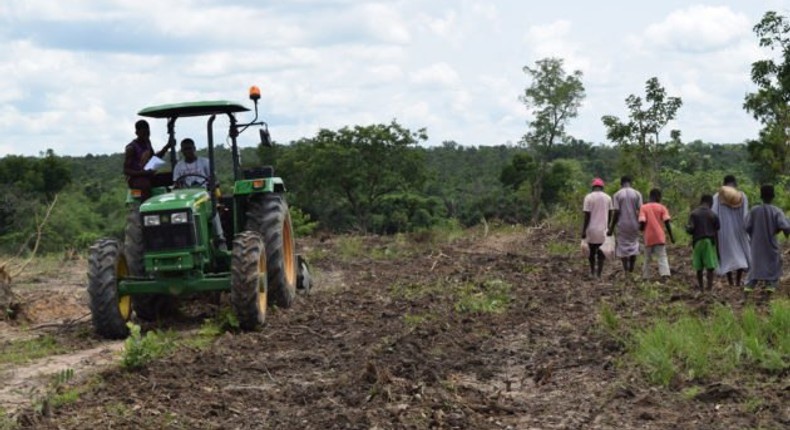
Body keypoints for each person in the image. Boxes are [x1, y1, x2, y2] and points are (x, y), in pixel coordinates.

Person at [173, 138, 226, 251]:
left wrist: (213, 186)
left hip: (204, 194)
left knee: (212, 211)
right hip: (186, 197)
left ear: (194, 149)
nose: (188, 151)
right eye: (185, 149)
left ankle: (219, 238)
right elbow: (176, 184)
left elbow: (214, 180)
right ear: (182, 151)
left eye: (190, 149)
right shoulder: (179, 166)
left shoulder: (205, 162)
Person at [744, 184, 790, 294]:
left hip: (756, 246)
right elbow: (785, 227)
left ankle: (748, 289)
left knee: (755, 268)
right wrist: (782, 232)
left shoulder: (754, 210)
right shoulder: (776, 211)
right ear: (773, 196)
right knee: (773, 267)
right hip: (771, 245)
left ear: (761, 196)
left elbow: (746, 227)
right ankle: (769, 290)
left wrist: (754, 234)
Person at [711, 175, 750, 287]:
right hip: (739, 231)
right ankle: (738, 282)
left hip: (724, 232)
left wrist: (715, 232)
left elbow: (714, 215)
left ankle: (730, 282)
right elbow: (745, 215)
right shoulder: (742, 196)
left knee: (726, 255)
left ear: (724, 183)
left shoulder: (717, 196)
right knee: (741, 255)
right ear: (735, 184)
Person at [124, 119, 174, 200]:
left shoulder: (147, 143)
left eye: (148, 133)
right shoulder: (131, 148)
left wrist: (167, 146)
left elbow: (154, 160)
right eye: (144, 133)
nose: (146, 136)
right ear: (137, 133)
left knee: (173, 177)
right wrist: (144, 173)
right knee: (145, 186)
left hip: (148, 176)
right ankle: (146, 209)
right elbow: (126, 170)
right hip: (135, 179)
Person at [608, 176, 643, 275]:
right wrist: (642, 224)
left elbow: (616, 212)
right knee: (634, 244)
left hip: (622, 224)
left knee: (622, 246)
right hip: (634, 223)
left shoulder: (617, 195)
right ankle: (631, 268)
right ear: (630, 182)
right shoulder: (637, 193)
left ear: (621, 183)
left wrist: (611, 228)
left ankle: (626, 270)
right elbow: (641, 210)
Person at [639, 188, 675, 280]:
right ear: (657, 197)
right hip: (659, 237)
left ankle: (645, 277)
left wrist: (641, 229)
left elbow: (642, 221)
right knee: (662, 256)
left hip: (648, 237)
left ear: (650, 196)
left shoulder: (644, 207)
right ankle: (665, 275)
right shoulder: (662, 207)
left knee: (647, 258)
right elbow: (667, 222)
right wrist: (671, 237)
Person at [686, 194, 720, 291]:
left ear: (701, 201)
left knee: (699, 267)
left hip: (697, 242)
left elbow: (690, 229)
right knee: (710, 267)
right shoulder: (713, 214)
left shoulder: (694, 213)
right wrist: (717, 249)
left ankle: (701, 288)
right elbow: (716, 231)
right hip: (709, 242)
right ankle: (709, 288)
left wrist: (687, 228)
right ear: (710, 202)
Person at [581, 177, 613, 278]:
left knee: (591, 252)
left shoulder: (588, 197)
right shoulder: (608, 198)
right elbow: (610, 213)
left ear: (593, 187)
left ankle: (592, 271)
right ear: (602, 187)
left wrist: (584, 230)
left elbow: (587, 215)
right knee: (601, 253)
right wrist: (609, 226)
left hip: (591, 229)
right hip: (603, 230)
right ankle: (599, 274)